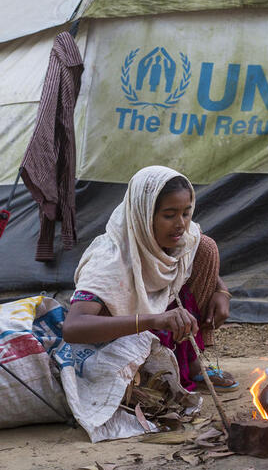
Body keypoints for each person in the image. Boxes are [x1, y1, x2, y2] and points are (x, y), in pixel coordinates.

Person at [62, 166, 237, 392]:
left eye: (185, 213)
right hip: (120, 340)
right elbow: (73, 327)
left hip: (161, 322)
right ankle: (146, 373)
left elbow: (191, 260)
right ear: (143, 215)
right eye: (169, 215)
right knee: (146, 388)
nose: (181, 224)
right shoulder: (110, 259)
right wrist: (153, 320)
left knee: (205, 247)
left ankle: (192, 363)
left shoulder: (183, 238)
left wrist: (221, 291)